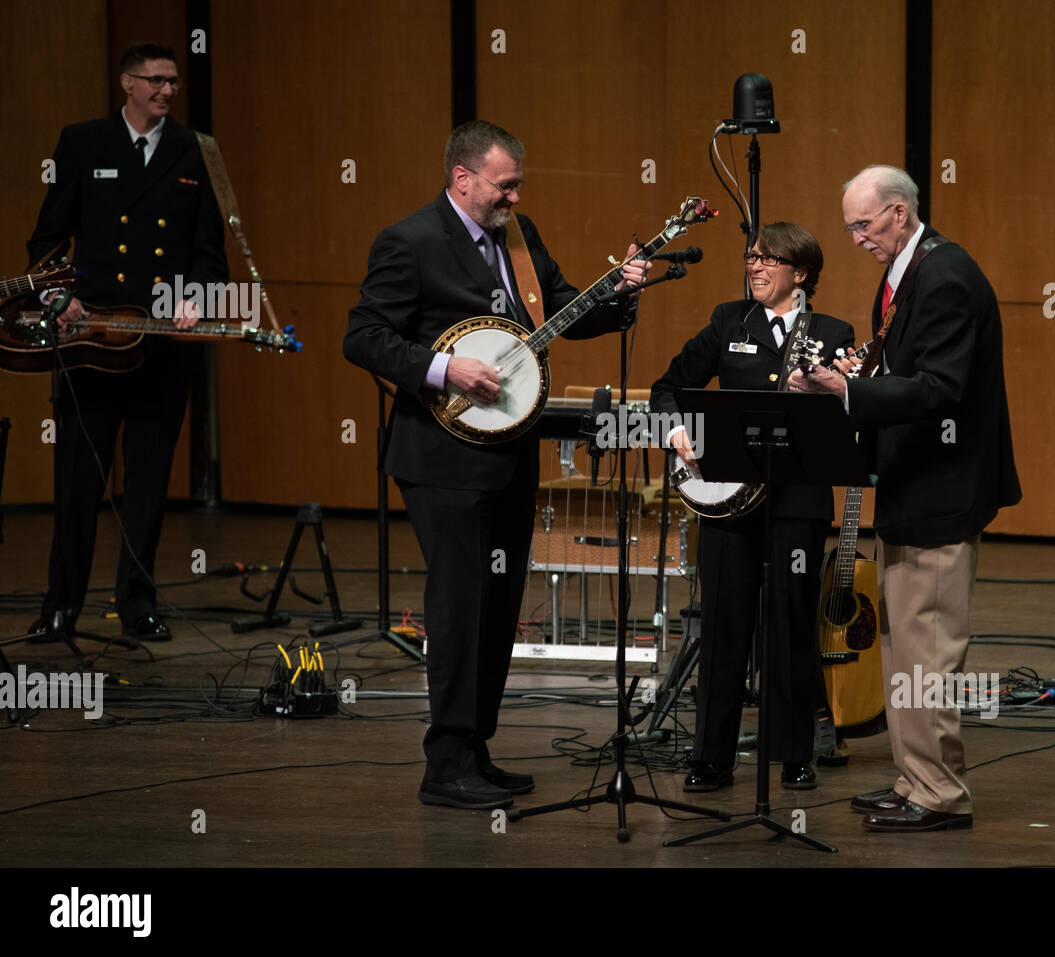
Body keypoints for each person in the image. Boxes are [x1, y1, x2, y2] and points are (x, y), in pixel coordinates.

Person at [343, 120, 649, 811]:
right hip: (441, 457)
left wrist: (621, 292)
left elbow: (563, 309)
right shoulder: (410, 240)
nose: (515, 193)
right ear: (462, 178)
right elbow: (362, 337)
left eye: (517, 183)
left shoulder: (519, 235)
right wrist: (445, 367)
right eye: (504, 182)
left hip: (509, 452)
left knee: (498, 606)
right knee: (459, 608)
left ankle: (474, 749)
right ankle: (443, 761)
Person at [791, 165, 1020, 831]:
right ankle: (913, 777)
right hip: (910, 486)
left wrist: (847, 393)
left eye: (863, 225)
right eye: (849, 227)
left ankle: (940, 794)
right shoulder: (912, 268)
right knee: (901, 645)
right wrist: (851, 374)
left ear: (898, 211)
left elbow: (941, 387)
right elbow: (902, 364)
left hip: (940, 492)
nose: (856, 237)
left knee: (928, 649)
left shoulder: (946, 276)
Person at [27, 42, 228, 645]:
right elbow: (46, 241)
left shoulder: (196, 150)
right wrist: (60, 301)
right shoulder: (83, 142)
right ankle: (60, 605)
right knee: (77, 481)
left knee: (147, 481)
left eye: (174, 82)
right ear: (127, 84)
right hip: (92, 342)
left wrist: (196, 298)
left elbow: (209, 253)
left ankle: (137, 606)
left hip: (163, 344)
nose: (168, 91)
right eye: (156, 81)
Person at [651, 222, 854, 792]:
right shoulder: (727, 321)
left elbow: (848, 418)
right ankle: (710, 756)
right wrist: (677, 431)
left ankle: (794, 754)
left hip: (796, 505)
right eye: (751, 257)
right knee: (722, 627)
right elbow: (668, 385)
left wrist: (826, 394)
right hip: (727, 507)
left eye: (770, 260)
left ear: (801, 272)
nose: (755, 268)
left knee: (790, 627)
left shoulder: (834, 332)